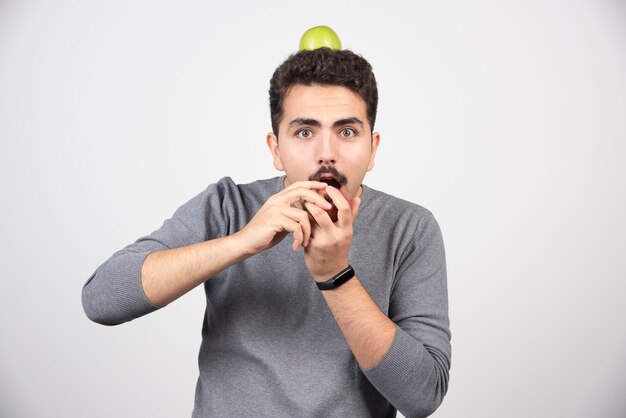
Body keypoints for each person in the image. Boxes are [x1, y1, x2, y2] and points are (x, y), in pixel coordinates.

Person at [82, 46, 451, 418]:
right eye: (304, 131)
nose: (326, 152)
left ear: (372, 150)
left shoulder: (411, 229)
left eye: (347, 131)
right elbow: (101, 299)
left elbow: (423, 396)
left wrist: (335, 274)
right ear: (276, 149)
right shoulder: (228, 206)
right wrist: (242, 242)